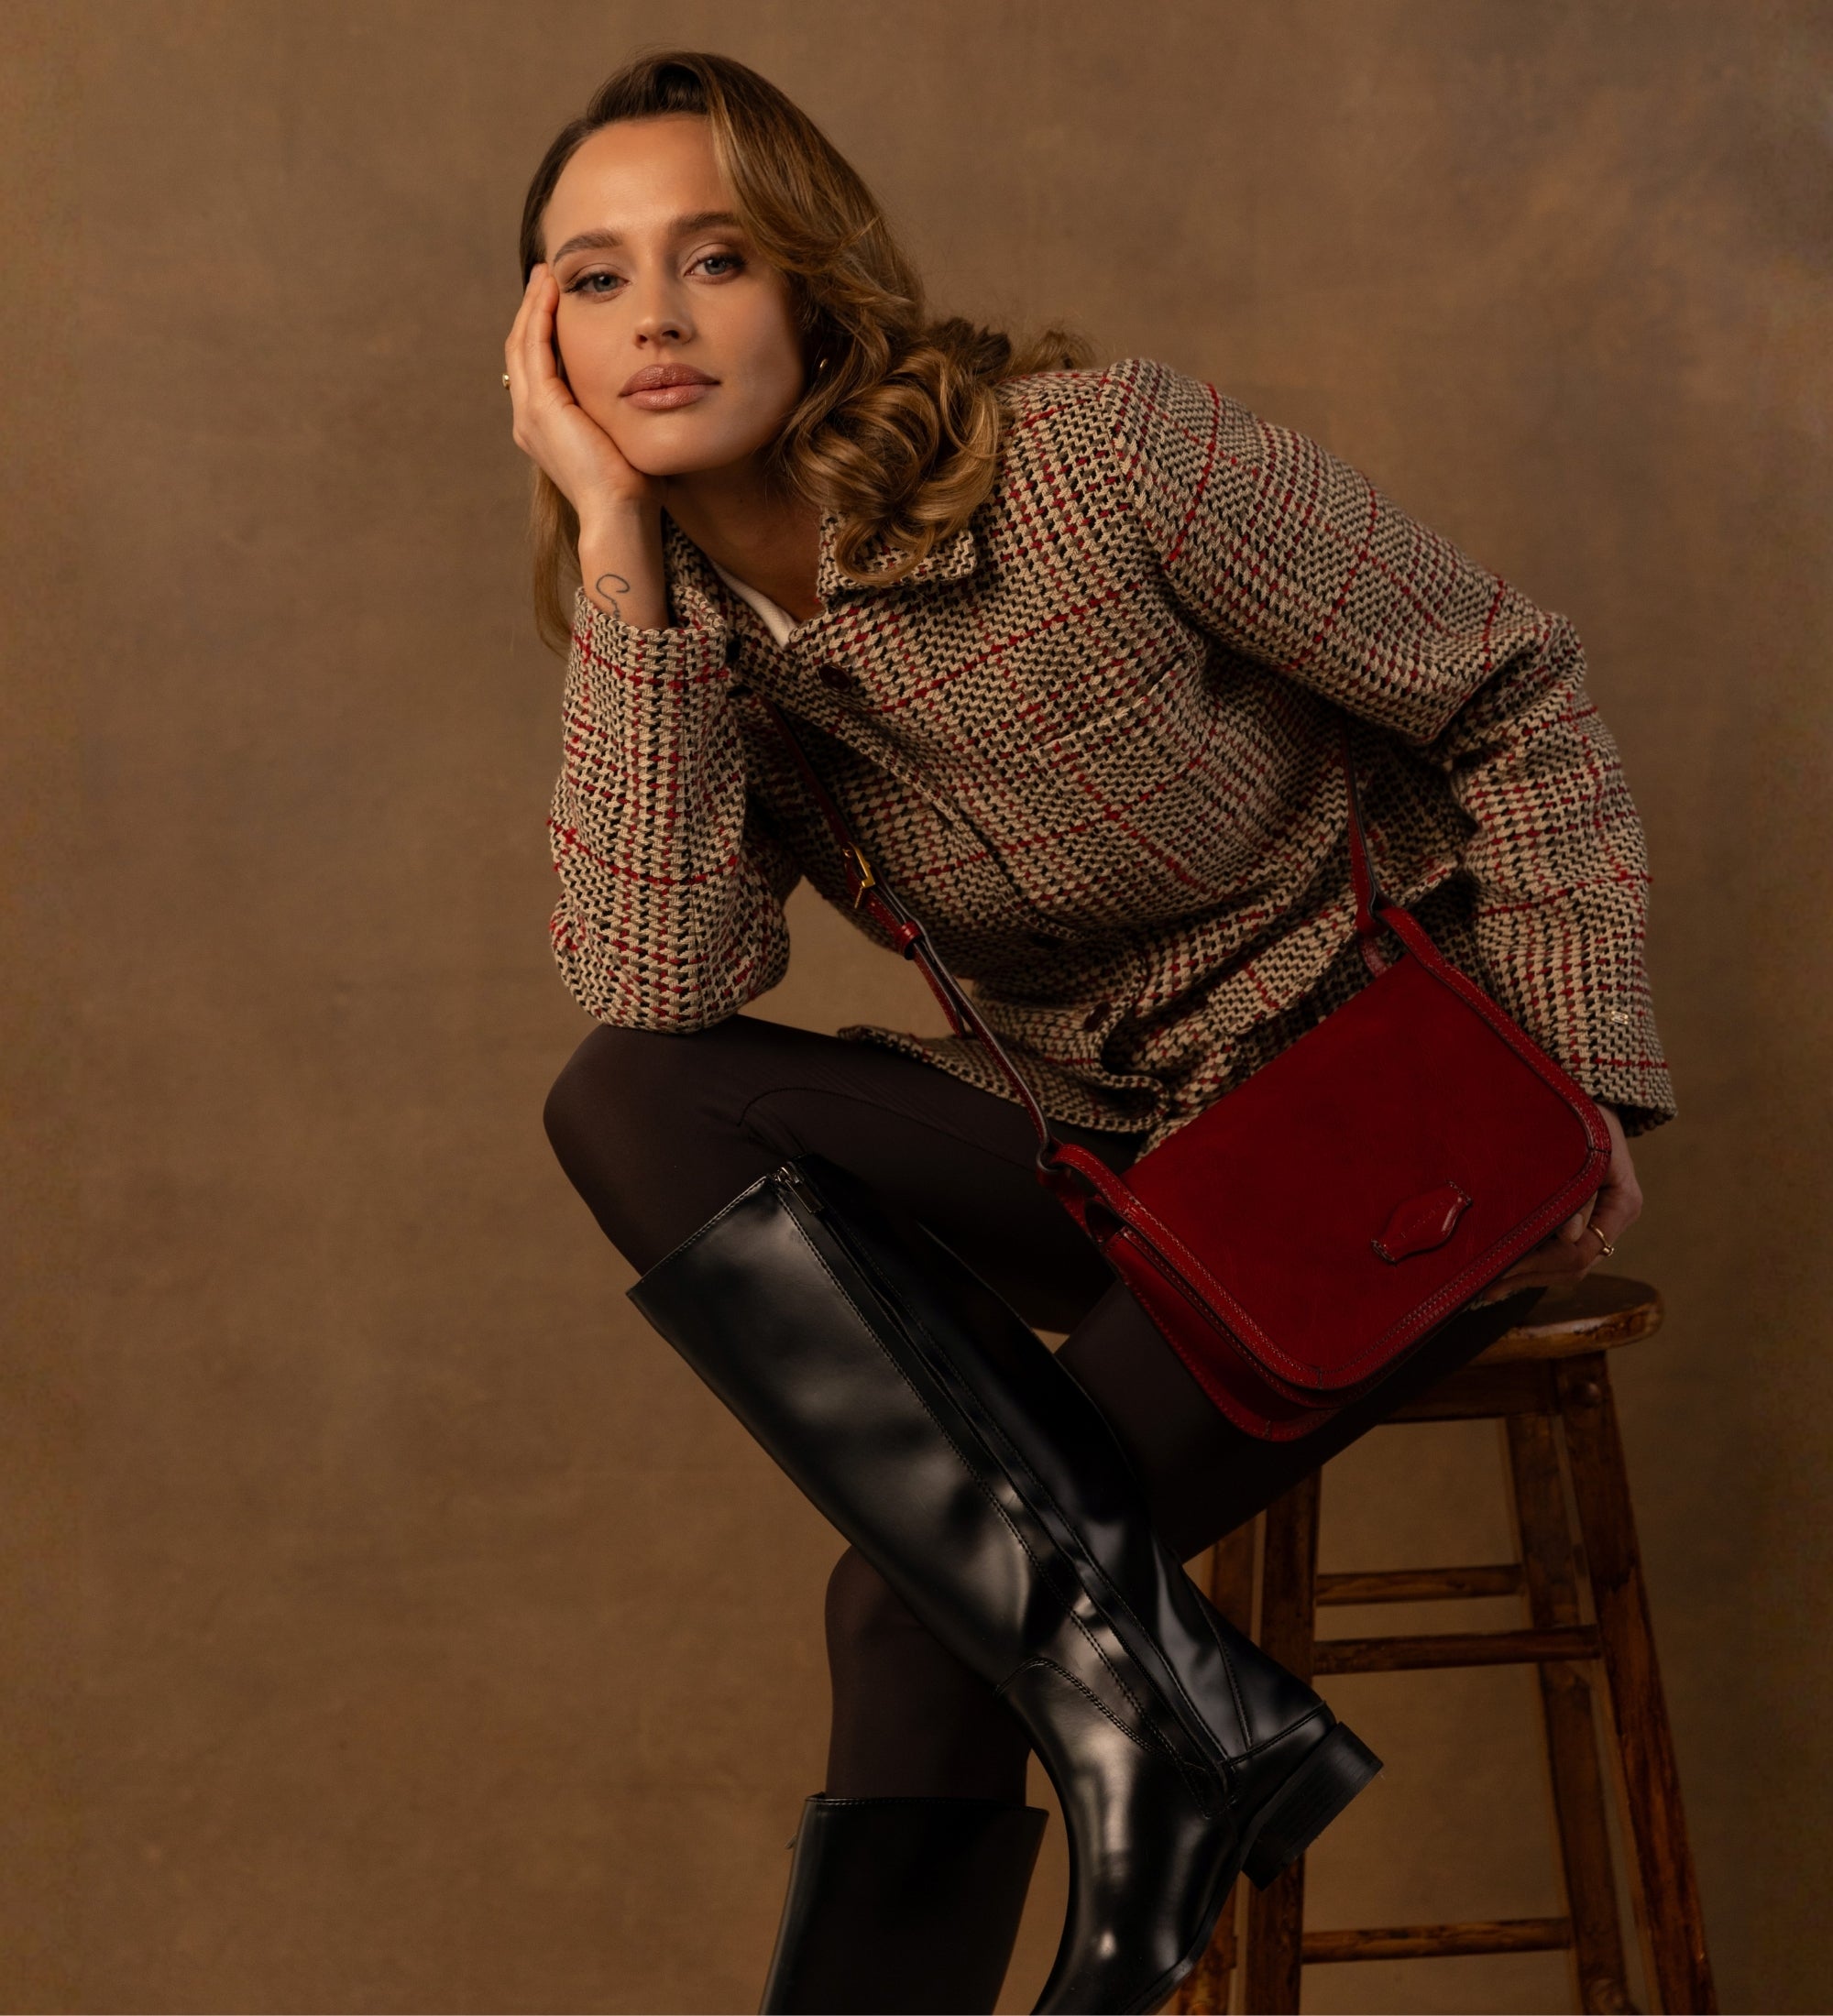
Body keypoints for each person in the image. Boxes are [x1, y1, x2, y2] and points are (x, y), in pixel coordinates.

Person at [507, 49, 1670, 2016]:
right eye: (595, 278)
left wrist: (1575, 1075)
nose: (659, 320)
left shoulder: (1100, 461)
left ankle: (1183, 1742)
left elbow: (1516, 692)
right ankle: (1189, 1721)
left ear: (814, 284)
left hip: (1388, 1119)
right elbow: (659, 980)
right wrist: (620, 556)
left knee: (919, 1603)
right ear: (538, 343)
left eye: (715, 257)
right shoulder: (687, 644)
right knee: (627, 1091)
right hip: (1108, 1141)